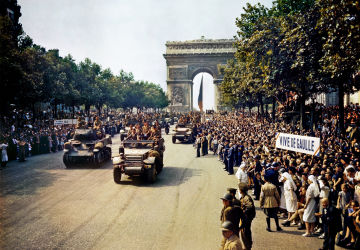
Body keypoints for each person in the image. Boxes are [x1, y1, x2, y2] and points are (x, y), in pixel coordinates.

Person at [239, 183, 256, 250]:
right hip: (246, 218)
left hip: (247, 218)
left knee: (246, 233)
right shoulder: (243, 197)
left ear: (241, 190)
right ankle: (246, 246)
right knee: (244, 232)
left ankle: (247, 247)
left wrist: (244, 212)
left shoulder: (246, 198)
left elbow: (250, 206)